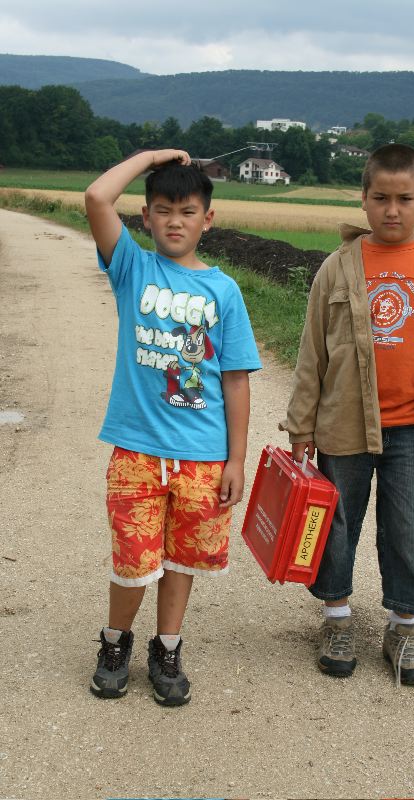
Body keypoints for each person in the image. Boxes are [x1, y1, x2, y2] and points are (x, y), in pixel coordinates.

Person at [281, 144, 414, 686]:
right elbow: (312, 354)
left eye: (404, 199)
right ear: (364, 198)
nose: (391, 210)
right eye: (380, 198)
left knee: (410, 529)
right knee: (334, 524)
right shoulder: (338, 266)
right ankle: (336, 618)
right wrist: (301, 425)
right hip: (343, 424)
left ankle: (404, 626)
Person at [85, 149, 261, 706]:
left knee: (183, 560)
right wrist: (153, 158)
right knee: (132, 559)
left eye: (187, 211)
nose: (175, 222)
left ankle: (167, 648)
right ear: (146, 217)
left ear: (208, 219)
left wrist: (236, 460)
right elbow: (96, 197)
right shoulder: (132, 268)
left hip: (203, 457)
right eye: (163, 210)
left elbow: (235, 379)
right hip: (136, 452)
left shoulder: (224, 292)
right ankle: (115, 643)